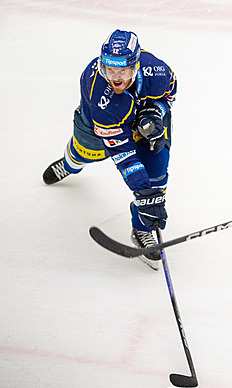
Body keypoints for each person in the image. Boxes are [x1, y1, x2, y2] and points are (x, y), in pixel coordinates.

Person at [43, 29, 177, 270]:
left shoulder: (157, 71)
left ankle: (142, 228)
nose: (115, 78)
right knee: (82, 154)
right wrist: (142, 191)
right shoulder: (99, 93)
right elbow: (123, 154)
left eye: (122, 71)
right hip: (97, 124)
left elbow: (169, 95)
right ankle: (70, 164)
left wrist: (155, 111)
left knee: (157, 172)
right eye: (109, 70)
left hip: (142, 117)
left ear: (135, 66)